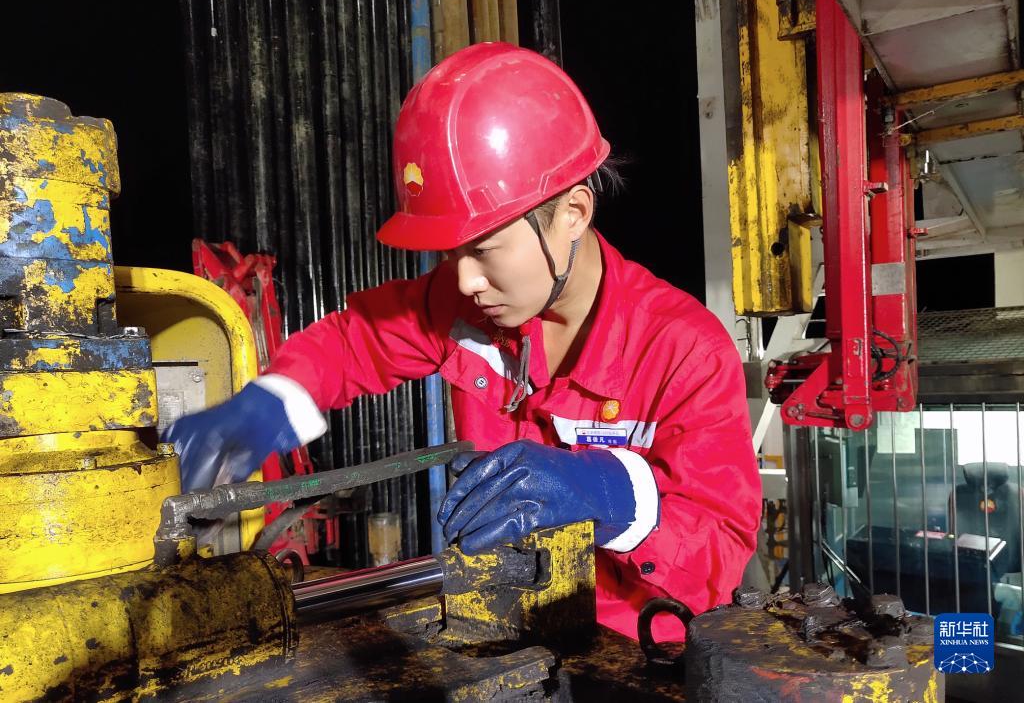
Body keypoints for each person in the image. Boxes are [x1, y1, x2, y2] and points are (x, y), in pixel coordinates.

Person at [164, 42, 761, 641]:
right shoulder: (468, 307)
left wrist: (610, 493)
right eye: (451, 253)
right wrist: (271, 401)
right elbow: (355, 342)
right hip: (496, 635)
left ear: (574, 213)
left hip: (630, 655)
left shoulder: (684, 351)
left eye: (483, 249)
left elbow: (718, 557)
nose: (465, 280)